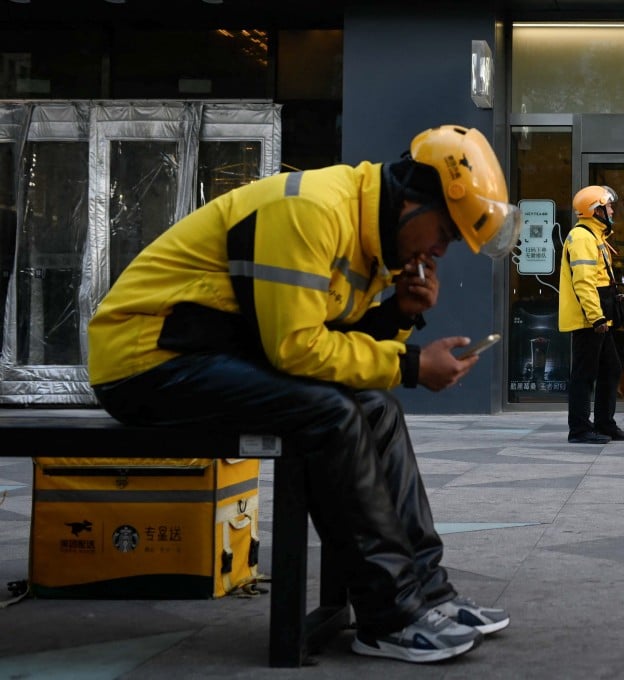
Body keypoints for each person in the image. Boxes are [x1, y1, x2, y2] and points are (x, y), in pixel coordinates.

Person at [87, 125, 517, 663]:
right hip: (147, 361)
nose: (443, 249)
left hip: (214, 354)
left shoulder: (369, 241)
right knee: (329, 413)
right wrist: (408, 364)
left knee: (375, 408)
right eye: (446, 232)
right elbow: (296, 348)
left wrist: (402, 315)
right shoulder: (312, 211)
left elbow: (337, 342)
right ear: (412, 201)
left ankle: (427, 593)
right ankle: (389, 615)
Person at [559, 184, 624, 444]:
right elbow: (583, 282)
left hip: (599, 317)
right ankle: (579, 429)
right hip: (589, 319)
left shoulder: (595, 236)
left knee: (610, 368)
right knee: (584, 374)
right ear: (596, 210)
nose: (612, 210)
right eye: (608, 206)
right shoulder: (581, 238)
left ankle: (604, 424)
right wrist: (596, 318)